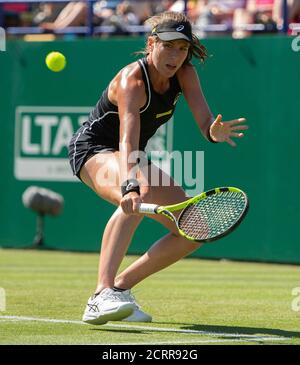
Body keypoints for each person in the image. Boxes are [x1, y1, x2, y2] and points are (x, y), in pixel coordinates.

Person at [68, 11, 248, 325]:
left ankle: (120, 289)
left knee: (195, 232)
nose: (176, 55)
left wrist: (213, 133)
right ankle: (100, 296)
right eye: (169, 46)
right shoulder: (131, 81)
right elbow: (127, 136)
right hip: (94, 150)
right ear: (152, 43)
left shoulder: (186, 74)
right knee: (140, 189)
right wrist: (129, 185)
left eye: (182, 48)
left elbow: (205, 121)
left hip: (131, 156)